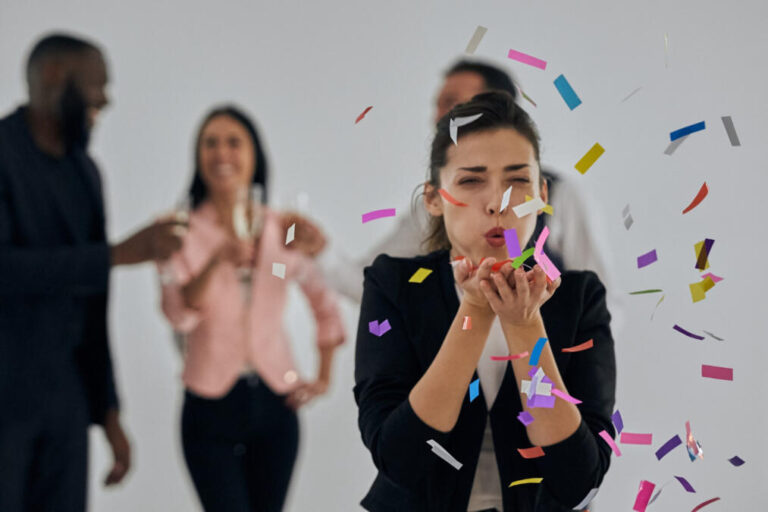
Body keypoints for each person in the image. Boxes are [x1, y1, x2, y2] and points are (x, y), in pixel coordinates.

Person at [354, 91, 616, 511]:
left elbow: (578, 481)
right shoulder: (393, 283)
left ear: (542, 194)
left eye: (518, 180)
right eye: (471, 180)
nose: (498, 203)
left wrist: (524, 324)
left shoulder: (579, 296)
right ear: (434, 198)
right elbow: (399, 461)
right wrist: (474, 312)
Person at [0, 33, 184, 511]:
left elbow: (93, 303)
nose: (104, 99)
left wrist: (107, 412)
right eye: (96, 85)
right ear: (54, 77)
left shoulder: (86, 172)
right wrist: (116, 254)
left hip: (66, 405)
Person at [319, 60, 616, 321]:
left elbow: (602, 302)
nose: (437, 118)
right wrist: (321, 253)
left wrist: (574, 365)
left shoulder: (564, 197)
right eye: (437, 106)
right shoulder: (434, 206)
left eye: (452, 104)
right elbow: (373, 285)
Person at [157, 105, 346, 512]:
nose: (222, 153)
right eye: (210, 143)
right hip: (208, 403)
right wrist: (216, 261)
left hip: (276, 401)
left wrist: (324, 376)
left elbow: (324, 302)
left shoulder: (282, 228)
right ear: (197, 156)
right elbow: (179, 314)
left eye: (233, 142)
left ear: (254, 154)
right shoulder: (179, 231)